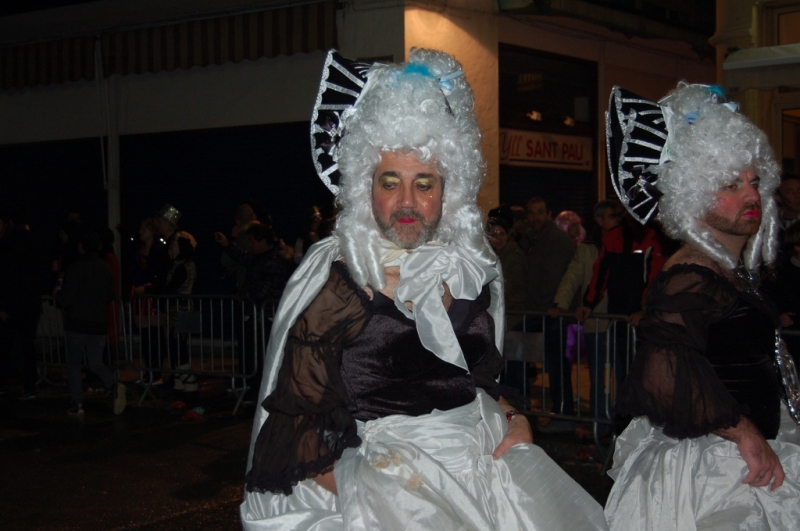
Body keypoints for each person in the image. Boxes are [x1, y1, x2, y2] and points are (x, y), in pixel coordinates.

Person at [240, 48, 608, 530]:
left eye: (425, 182)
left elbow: (475, 373)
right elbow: (297, 419)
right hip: (398, 492)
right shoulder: (341, 279)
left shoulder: (469, 266)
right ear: (363, 187)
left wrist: (513, 414)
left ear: (448, 189)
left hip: (490, 471)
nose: (407, 202)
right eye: (389, 181)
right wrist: (372, 499)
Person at [602, 83, 800, 530]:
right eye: (730, 185)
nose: (750, 196)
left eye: (753, 182)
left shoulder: (727, 269)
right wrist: (744, 432)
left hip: (742, 455)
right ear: (693, 195)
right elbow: (661, 372)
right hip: (715, 468)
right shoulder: (690, 274)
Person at [547, 201, 622, 436]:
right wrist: (560, 303)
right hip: (597, 317)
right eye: (611, 216)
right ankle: (602, 424)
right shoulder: (590, 248)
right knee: (599, 374)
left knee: (620, 373)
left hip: (616, 317)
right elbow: (573, 276)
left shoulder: (621, 244)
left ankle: (617, 421)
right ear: (599, 220)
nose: (616, 221)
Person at [55, 229, 126, 417]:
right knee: (96, 362)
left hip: (77, 323)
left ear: (81, 246)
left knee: (74, 364)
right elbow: (110, 295)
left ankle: (77, 403)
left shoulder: (76, 268)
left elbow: (67, 298)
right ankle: (113, 383)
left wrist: (57, 293)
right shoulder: (105, 268)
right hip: (98, 323)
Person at [0, 209, 46, 400]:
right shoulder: (36, 242)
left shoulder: (7, 243)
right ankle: (29, 387)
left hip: (12, 304)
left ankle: (3, 383)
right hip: (31, 304)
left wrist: (2, 306)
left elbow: (5, 277)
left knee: (5, 346)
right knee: (29, 346)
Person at [486, 216, 527, 329]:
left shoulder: (515, 256)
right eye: (494, 235)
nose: (498, 238)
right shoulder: (488, 256)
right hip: (498, 314)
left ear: (507, 235)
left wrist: (500, 304)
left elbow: (521, 290)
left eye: (502, 234)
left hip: (512, 317)